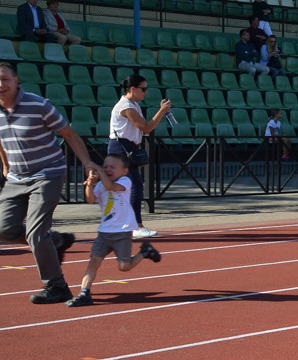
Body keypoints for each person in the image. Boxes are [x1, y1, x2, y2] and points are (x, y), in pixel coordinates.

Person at [0, 62, 97, 304]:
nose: (0, 85)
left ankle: (57, 285)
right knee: (4, 229)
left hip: (48, 173)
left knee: (35, 233)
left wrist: (87, 163)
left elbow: (69, 134)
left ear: (16, 80)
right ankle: (56, 241)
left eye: (4, 79)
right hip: (16, 177)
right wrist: (5, 165)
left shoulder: (38, 105)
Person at [66, 155, 162, 307]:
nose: (107, 169)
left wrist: (96, 168)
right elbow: (90, 199)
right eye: (105, 166)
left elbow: (111, 187)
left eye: (112, 167)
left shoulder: (125, 182)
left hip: (122, 232)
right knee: (93, 263)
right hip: (104, 233)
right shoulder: (100, 185)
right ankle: (84, 292)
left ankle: (145, 252)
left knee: (124, 267)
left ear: (124, 171)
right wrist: (90, 185)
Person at [108, 74, 172, 240]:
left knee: (128, 187)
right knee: (135, 185)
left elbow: (145, 127)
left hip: (125, 147)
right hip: (121, 147)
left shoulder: (133, 105)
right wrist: (161, 111)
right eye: (143, 89)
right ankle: (136, 227)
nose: (146, 92)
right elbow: (146, 128)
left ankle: (122, 224)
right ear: (132, 89)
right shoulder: (126, 106)